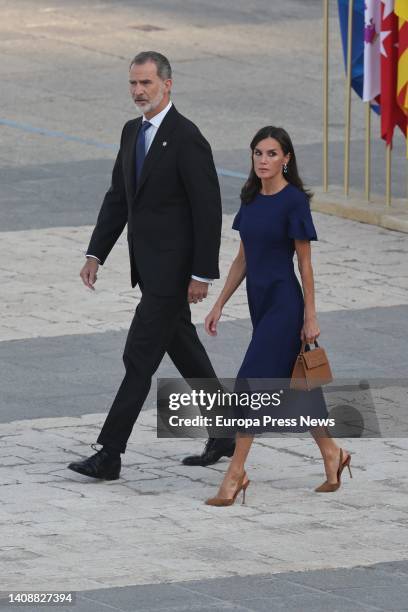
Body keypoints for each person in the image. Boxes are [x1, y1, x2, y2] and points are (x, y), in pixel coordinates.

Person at [68, 51, 235, 480]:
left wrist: (202, 274)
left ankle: (109, 453)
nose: (139, 91)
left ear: (167, 84)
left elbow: (208, 209)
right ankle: (226, 430)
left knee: (138, 356)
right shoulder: (131, 132)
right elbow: (118, 198)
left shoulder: (187, 137)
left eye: (146, 83)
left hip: (174, 274)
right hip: (149, 269)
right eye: (133, 84)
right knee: (184, 349)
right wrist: (95, 253)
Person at [203, 126, 353, 506]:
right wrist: (219, 303)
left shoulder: (293, 202)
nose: (264, 160)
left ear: (286, 158)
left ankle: (235, 473)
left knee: (249, 383)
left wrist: (311, 316)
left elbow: (305, 264)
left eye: (271, 154)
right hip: (260, 303)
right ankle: (332, 454)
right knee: (299, 387)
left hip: (286, 305)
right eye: (258, 153)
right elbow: (243, 259)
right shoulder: (251, 198)